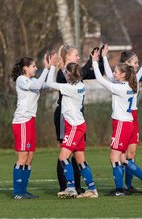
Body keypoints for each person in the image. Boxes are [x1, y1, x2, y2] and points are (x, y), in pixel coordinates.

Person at [92, 49, 142, 196]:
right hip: (128, 123)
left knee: (114, 156)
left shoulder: (120, 88)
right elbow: (109, 77)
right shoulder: (129, 86)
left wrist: (95, 62)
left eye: (116, 72)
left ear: (124, 75)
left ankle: (119, 190)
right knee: (123, 158)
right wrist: (104, 58)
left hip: (121, 124)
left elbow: (100, 79)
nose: (113, 74)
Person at [55, 45, 105, 196]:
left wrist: (96, 61)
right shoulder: (63, 74)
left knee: (64, 155)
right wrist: (93, 61)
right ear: (67, 57)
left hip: (74, 122)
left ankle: (71, 187)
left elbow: (89, 73)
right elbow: (79, 73)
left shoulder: (72, 81)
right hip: (71, 119)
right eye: (75, 55)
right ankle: (87, 188)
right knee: (77, 157)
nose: (77, 57)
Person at [46, 54, 98, 198]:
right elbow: (69, 76)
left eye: (67, 73)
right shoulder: (79, 84)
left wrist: (51, 66)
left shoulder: (69, 88)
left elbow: (49, 83)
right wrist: (64, 67)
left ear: (69, 75)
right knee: (80, 160)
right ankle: (92, 189)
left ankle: (70, 187)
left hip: (74, 127)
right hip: (79, 125)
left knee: (63, 158)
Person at [11, 54, 50, 199]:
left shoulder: (33, 79)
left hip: (30, 121)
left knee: (30, 156)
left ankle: (23, 190)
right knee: (23, 156)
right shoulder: (22, 79)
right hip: (22, 121)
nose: (36, 68)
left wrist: (52, 68)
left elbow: (47, 83)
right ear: (25, 68)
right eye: (33, 66)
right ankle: (17, 192)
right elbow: (38, 85)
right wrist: (46, 69)